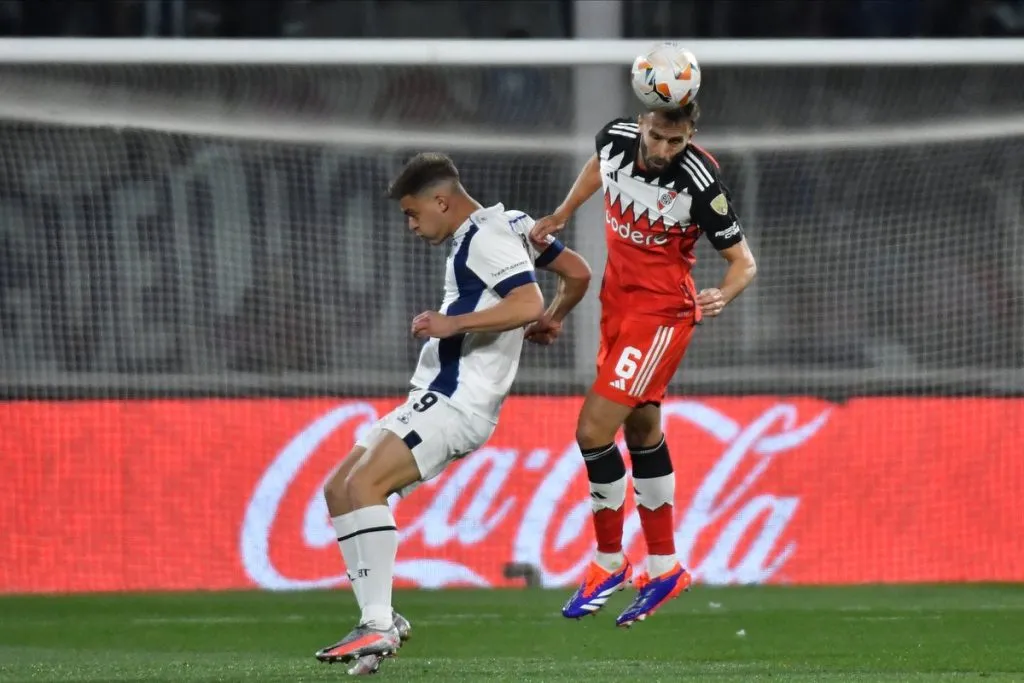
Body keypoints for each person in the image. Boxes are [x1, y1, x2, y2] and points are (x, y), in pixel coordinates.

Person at [315, 152, 592, 671]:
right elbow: (576, 272)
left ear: (442, 201)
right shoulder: (513, 223)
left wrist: (454, 323)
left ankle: (376, 627)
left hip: (456, 400)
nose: (412, 225)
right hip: (432, 395)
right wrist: (557, 318)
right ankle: (381, 619)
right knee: (340, 488)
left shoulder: (484, 238)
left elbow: (526, 302)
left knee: (365, 487)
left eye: (413, 213)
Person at [530, 103, 757, 627]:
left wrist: (722, 295)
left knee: (592, 430)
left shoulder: (701, 181)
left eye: (675, 142)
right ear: (643, 123)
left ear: (690, 136)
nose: (662, 150)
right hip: (617, 304)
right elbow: (598, 166)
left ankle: (609, 561)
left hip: (660, 316)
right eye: (656, 137)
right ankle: (665, 566)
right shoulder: (614, 138)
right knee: (642, 427)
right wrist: (564, 212)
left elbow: (743, 262)